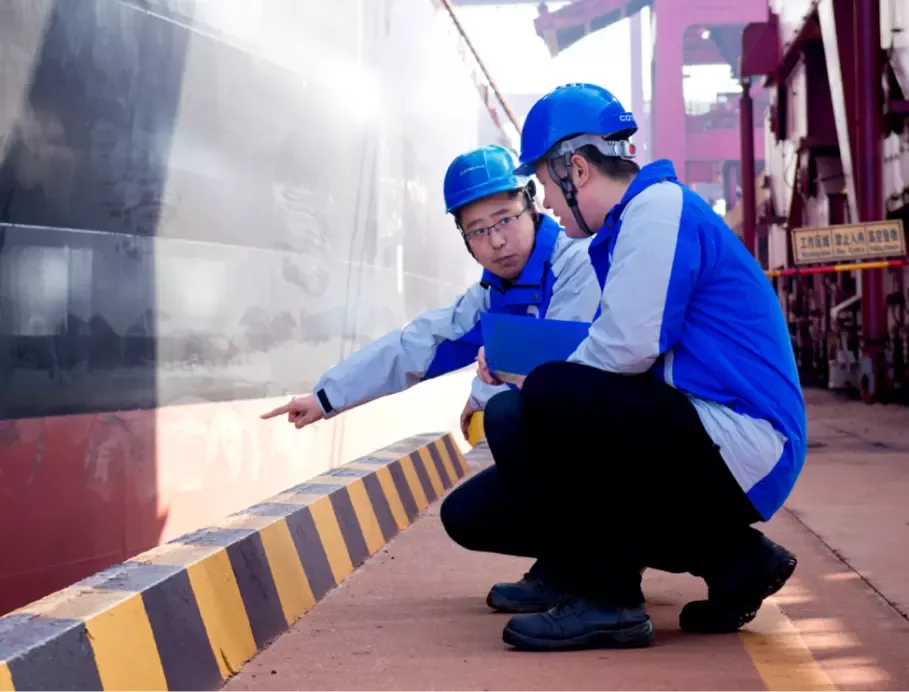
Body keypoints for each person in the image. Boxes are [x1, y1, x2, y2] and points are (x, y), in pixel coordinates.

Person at [470, 83, 806, 652]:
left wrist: (538, 378)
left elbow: (625, 349)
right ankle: (739, 562)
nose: (547, 203)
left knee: (551, 395)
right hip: (716, 428)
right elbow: (623, 346)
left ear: (576, 170)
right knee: (498, 452)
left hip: (741, 435)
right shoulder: (641, 219)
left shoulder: (657, 211)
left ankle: (608, 600)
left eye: (546, 185)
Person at [261, 143, 600, 452]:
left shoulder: (579, 263)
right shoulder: (493, 294)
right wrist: (324, 398)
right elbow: (417, 344)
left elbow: (556, 368)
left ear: (532, 206)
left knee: (499, 413)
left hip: (599, 439)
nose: (496, 241)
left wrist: (483, 396)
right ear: (464, 236)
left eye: (505, 219)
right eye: (478, 230)